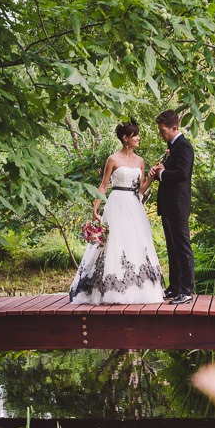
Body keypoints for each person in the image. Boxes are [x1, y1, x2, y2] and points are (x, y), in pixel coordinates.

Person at [69, 122, 164, 304]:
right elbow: (104, 186)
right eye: (134, 135)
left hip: (134, 205)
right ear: (125, 138)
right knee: (113, 242)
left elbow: (141, 190)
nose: (138, 138)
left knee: (135, 242)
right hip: (116, 203)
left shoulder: (140, 161)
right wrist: (95, 208)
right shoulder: (113, 159)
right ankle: (107, 290)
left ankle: (138, 289)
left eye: (138, 135)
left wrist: (152, 176)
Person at [149, 110, 195, 305]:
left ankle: (186, 290)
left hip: (178, 205)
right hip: (168, 206)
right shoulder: (172, 147)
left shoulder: (184, 147)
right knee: (172, 249)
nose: (161, 134)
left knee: (182, 248)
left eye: (163, 130)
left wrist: (161, 173)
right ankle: (175, 287)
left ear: (174, 128)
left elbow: (181, 174)